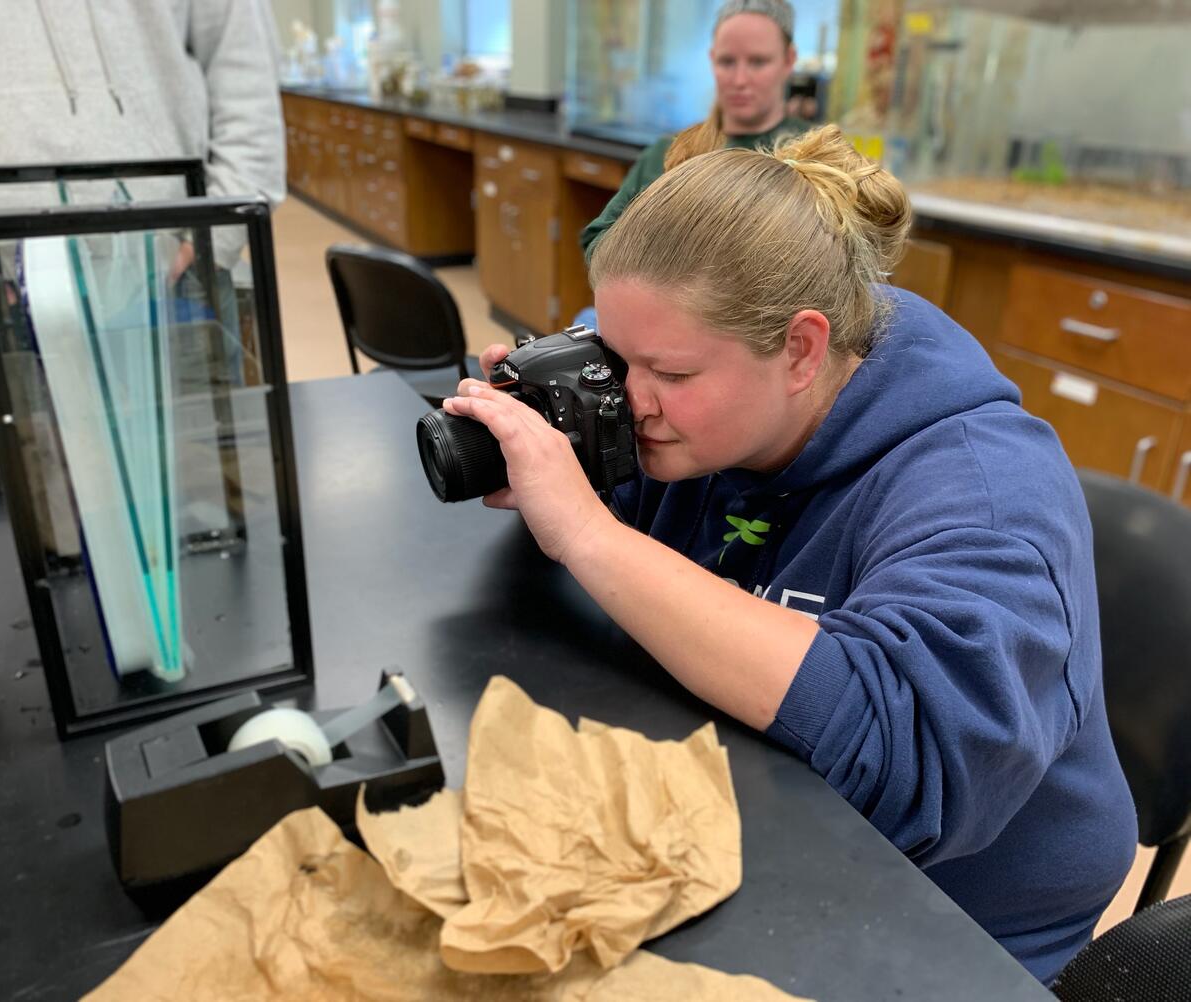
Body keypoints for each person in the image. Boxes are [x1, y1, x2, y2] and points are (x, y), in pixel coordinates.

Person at [443, 125, 1137, 985]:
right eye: (613, 358)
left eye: (669, 372)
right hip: (753, 819)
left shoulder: (987, 492)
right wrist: (570, 444)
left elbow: (907, 763)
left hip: (953, 913)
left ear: (803, 349)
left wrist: (588, 532)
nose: (632, 396)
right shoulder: (700, 411)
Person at [0, 0, 285, 294]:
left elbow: (242, 60)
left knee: (213, 428)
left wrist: (221, 231)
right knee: (32, 432)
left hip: (184, 246)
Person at [580, 0, 811, 261]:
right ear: (712, 60)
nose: (740, 80)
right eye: (727, 62)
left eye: (758, 62)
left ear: (789, 60)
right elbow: (598, 240)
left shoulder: (815, 155)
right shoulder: (669, 155)